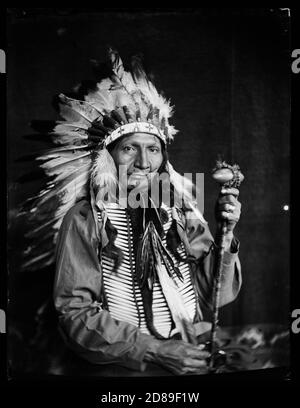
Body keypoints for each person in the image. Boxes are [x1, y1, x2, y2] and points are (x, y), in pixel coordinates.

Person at [32, 49, 242, 376]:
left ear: (163, 158)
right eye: (130, 148)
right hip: (125, 369)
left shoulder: (181, 213)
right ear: (108, 157)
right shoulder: (87, 219)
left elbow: (216, 294)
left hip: (192, 355)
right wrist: (155, 350)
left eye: (153, 149)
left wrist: (225, 232)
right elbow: (75, 315)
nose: (144, 163)